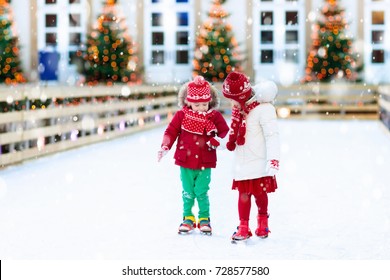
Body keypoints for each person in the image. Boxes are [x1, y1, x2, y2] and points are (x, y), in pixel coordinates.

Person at [157, 75, 229, 235]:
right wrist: (165, 145)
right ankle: (188, 218)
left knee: (202, 191)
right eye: (197, 104)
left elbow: (225, 132)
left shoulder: (214, 116)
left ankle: (204, 218)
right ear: (188, 101)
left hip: (206, 160)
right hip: (185, 160)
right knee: (188, 191)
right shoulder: (181, 116)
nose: (202, 107)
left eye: (205, 104)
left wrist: (218, 140)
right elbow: (171, 131)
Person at [221, 71, 280, 242]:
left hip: (259, 161)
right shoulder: (239, 112)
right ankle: (244, 227)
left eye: (232, 99)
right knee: (243, 195)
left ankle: (263, 222)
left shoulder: (264, 109)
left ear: (240, 97)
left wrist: (273, 158)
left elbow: (272, 135)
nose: (231, 103)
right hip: (243, 162)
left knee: (260, 194)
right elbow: (233, 136)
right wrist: (218, 143)